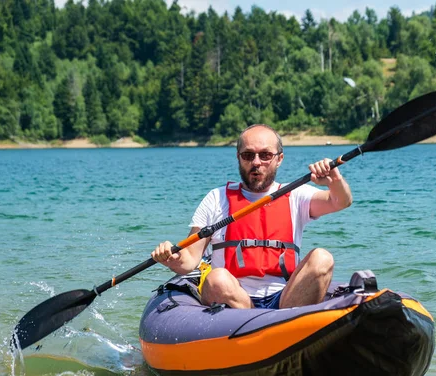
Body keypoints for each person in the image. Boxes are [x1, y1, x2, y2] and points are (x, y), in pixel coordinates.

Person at [151, 124, 352, 309]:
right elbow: (189, 260)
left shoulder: (296, 195)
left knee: (322, 258)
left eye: (265, 155)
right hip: (233, 298)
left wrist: (335, 179)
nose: (256, 162)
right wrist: (172, 257)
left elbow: (340, 201)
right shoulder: (216, 198)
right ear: (238, 157)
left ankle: (284, 327)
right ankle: (257, 329)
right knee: (217, 278)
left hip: (284, 300)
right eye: (248, 155)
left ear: (279, 159)